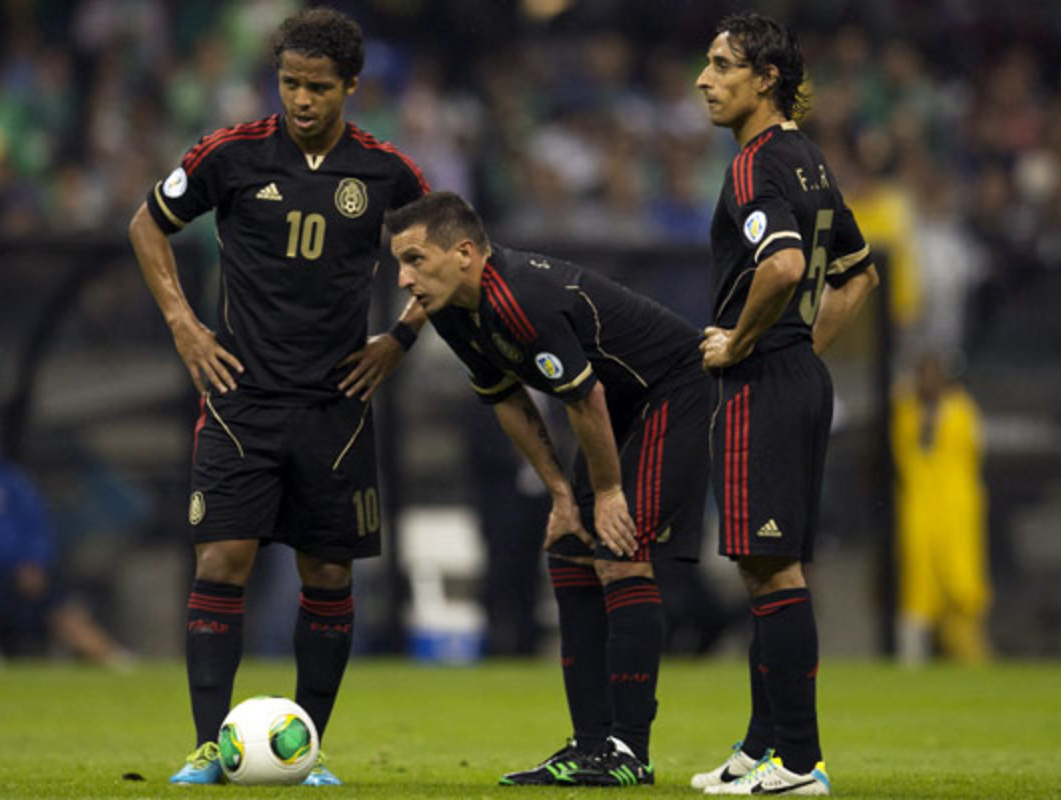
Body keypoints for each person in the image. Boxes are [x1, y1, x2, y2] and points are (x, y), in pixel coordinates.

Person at [126, 7, 428, 786]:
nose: (301, 99)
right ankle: (204, 747)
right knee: (222, 560)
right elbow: (147, 225)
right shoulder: (230, 155)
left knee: (327, 576)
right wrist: (185, 326)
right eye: (290, 83)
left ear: (351, 87)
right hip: (242, 398)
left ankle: (310, 750)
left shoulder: (387, 172)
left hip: (336, 408)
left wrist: (400, 337)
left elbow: (452, 250)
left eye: (318, 87)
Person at [386, 191, 712, 787]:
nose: (404, 279)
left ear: (463, 253)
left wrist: (609, 492)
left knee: (618, 551)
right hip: (613, 408)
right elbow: (506, 399)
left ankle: (628, 751)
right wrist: (562, 494)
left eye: (414, 259)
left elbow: (584, 398)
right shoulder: (451, 310)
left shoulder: (520, 298)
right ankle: (589, 744)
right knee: (568, 550)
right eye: (398, 265)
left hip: (673, 391)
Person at [690, 13, 880, 796]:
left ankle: (799, 763)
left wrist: (740, 344)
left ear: (765, 78)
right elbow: (860, 274)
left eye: (721, 64)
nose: (704, 79)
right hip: (799, 376)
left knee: (771, 572)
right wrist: (801, 348)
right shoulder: (808, 158)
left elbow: (785, 266)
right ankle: (763, 748)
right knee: (766, 566)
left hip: (763, 381)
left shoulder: (753, 165)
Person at [0, 404, 129, 670]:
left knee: (70, 620)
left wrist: (35, 562)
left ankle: (120, 664)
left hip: (21, 575)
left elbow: (37, 525)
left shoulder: (11, 481)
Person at [892, 352, 991, 665]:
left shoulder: (961, 410)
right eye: (923, 375)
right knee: (919, 582)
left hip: (957, 509)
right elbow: (908, 447)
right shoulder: (906, 411)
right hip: (919, 507)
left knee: (962, 583)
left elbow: (973, 452)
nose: (929, 383)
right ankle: (914, 661)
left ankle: (970, 656)